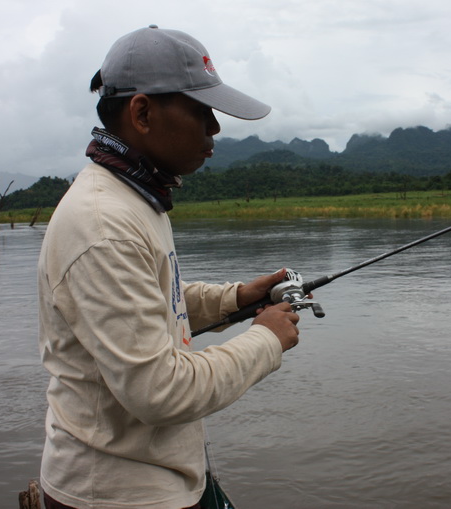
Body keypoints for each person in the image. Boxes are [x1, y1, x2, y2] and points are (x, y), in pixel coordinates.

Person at [37, 25, 301, 509]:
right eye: (203, 112)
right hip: (119, 494)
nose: (215, 129)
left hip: (160, 479)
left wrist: (237, 298)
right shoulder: (104, 224)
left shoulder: (136, 199)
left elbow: (156, 305)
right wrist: (267, 337)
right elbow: (159, 391)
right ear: (142, 112)